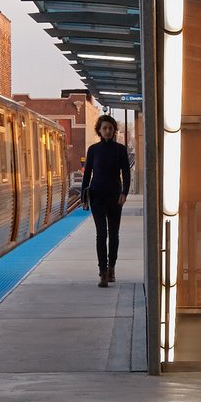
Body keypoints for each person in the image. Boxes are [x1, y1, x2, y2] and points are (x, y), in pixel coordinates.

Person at [81, 115, 132, 285]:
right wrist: (84, 196)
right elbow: (87, 173)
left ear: (114, 130)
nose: (108, 131)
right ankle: (102, 271)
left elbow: (126, 172)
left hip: (114, 197)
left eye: (110, 128)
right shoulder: (93, 150)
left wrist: (124, 193)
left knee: (114, 234)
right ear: (99, 130)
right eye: (104, 128)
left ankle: (112, 268)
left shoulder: (120, 150)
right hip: (97, 196)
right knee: (101, 234)